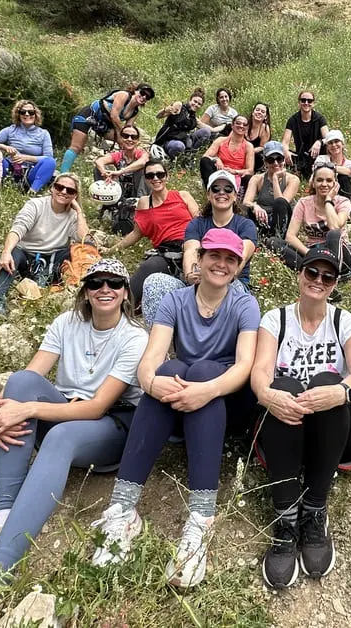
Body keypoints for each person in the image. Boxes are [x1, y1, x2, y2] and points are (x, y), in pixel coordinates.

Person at [91, 229, 260, 589]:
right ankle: (123, 508)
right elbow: (151, 359)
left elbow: (244, 366)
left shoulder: (244, 304)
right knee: (169, 369)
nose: (222, 264)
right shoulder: (175, 301)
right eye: (215, 256)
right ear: (199, 259)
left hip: (226, 401)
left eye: (231, 259)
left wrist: (205, 390)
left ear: (236, 267)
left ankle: (201, 518)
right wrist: (152, 382)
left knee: (199, 368)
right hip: (187, 400)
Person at [0, 259, 147, 584]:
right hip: (66, 410)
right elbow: (30, 376)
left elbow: (98, 406)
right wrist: (1, 408)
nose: (105, 289)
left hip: (111, 425)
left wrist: (26, 411)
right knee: (21, 383)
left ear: (126, 293)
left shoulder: (134, 338)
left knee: (59, 435)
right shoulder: (66, 323)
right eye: (96, 283)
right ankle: (4, 517)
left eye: (114, 283)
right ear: (85, 291)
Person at [251, 246, 351, 588]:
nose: (318, 280)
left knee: (327, 382)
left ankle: (315, 508)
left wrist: (340, 392)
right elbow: (260, 370)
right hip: (286, 427)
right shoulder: (276, 319)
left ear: (334, 284)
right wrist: (268, 394)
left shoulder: (343, 321)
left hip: (336, 427)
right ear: (299, 273)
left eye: (327, 276)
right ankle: (286, 517)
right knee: (284, 385)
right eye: (312, 272)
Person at [140, 170, 259, 326]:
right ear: (209, 195)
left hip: (231, 283)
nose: (221, 192)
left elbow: (242, 255)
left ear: (235, 195)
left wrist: (220, 277)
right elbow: (191, 250)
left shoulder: (246, 225)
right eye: (216, 189)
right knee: (154, 282)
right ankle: (164, 343)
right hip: (197, 283)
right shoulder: (197, 224)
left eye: (228, 189)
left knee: (230, 287)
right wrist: (190, 274)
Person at [0, 173, 89, 320]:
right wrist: (6, 251)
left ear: (75, 195)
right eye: (59, 187)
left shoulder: (73, 215)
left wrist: (79, 212)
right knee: (12, 253)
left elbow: (84, 239)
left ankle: (43, 280)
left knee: (73, 251)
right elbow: (18, 229)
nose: (64, 192)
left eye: (70, 190)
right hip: (26, 254)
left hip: (53, 258)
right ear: (52, 188)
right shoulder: (36, 205)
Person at [109, 159, 200, 312]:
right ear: (146, 179)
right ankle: (118, 308)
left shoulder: (182, 195)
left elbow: (199, 221)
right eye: (150, 175)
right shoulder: (145, 203)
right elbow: (137, 232)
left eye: (160, 174)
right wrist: (113, 249)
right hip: (166, 251)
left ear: (167, 176)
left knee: (196, 268)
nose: (156, 178)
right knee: (148, 268)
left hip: (191, 241)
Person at [268, 163, 351, 280]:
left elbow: (335, 226)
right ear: (313, 183)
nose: (324, 184)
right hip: (312, 251)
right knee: (273, 242)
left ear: (335, 183)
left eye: (329, 180)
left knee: (333, 234)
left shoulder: (343, 202)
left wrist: (329, 200)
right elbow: (290, 236)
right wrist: (309, 253)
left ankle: (330, 277)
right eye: (320, 180)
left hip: (340, 254)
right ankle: (313, 273)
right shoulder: (304, 203)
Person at [61, 83, 155, 172]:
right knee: (76, 147)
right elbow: (114, 116)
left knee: (126, 143)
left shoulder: (135, 112)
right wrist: (121, 133)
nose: (144, 97)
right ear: (136, 91)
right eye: (142, 93)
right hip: (89, 115)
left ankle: (126, 170)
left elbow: (128, 130)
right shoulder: (124, 95)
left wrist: (124, 138)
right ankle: (63, 174)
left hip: (105, 124)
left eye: (148, 97)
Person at [0, 100, 56, 194]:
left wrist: (25, 157)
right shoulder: (10, 130)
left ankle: (33, 192)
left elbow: (48, 157)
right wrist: (5, 147)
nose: (27, 114)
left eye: (31, 112)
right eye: (23, 112)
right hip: (11, 169)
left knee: (50, 162)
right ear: (18, 114)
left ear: (36, 114)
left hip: (32, 172)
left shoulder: (43, 133)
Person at [242, 141, 300, 239]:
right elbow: (246, 202)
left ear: (284, 160)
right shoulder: (257, 179)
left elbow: (281, 203)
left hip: (283, 219)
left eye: (279, 159)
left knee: (281, 205)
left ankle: (277, 238)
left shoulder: (293, 180)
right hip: (263, 218)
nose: (276, 163)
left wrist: (275, 180)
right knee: (250, 210)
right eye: (271, 160)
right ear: (265, 162)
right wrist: (255, 206)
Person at [198, 114, 255, 190]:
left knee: (248, 177)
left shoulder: (248, 146)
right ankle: (211, 190)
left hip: (236, 176)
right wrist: (216, 159)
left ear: (247, 128)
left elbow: (250, 170)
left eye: (244, 124)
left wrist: (234, 171)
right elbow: (205, 156)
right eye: (238, 123)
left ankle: (237, 197)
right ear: (232, 125)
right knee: (205, 161)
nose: (241, 126)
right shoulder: (220, 140)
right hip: (219, 171)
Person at [154, 88, 212, 159]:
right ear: (190, 100)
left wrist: (223, 127)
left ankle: (190, 156)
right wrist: (166, 109)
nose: (196, 104)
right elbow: (158, 116)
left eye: (199, 104)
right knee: (179, 146)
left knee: (206, 131)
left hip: (184, 140)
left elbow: (209, 129)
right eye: (195, 101)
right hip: (169, 141)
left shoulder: (193, 117)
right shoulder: (179, 107)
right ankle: (172, 159)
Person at [282, 90, 328, 178]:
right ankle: (300, 170)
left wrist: (319, 142)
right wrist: (286, 151)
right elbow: (285, 142)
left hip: (317, 155)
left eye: (309, 101)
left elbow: (328, 138)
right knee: (279, 153)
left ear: (313, 103)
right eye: (303, 100)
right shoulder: (293, 120)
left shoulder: (320, 119)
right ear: (299, 102)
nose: (306, 103)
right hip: (301, 155)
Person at [94, 123, 148, 196]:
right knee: (98, 169)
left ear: (137, 140)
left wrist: (121, 171)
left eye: (133, 137)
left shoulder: (142, 154)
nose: (129, 139)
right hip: (120, 189)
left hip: (138, 190)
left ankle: (141, 201)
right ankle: (107, 198)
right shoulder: (118, 155)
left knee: (144, 169)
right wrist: (105, 173)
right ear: (121, 138)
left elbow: (143, 162)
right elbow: (99, 161)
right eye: (126, 136)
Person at [312, 130, 351, 203]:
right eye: (330, 143)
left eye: (336, 141)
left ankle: (346, 205)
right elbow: (316, 173)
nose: (334, 145)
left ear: (342, 144)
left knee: (343, 177)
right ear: (327, 147)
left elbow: (349, 171)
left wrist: (330, 167)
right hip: (323, 191)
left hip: (343, 193)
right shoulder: (321, 158)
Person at [247, 102, 272, 172]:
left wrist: (250, 151)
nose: (259, 112)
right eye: (257, 110)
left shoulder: (265, 128)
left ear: (266, 116)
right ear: (253, 112)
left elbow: (262, 147)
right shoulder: (245, 124)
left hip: (254, 156)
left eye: (262, 112)